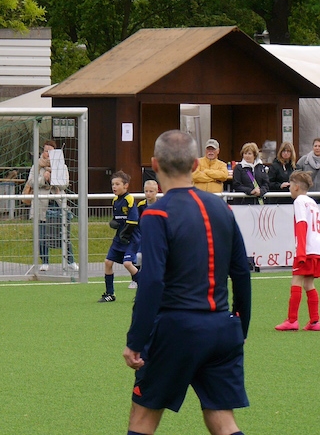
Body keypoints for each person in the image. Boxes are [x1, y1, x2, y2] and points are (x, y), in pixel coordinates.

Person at [123, 130, 251, 435]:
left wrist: (136, 340)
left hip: (176, 330)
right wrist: (241, 327)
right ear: (195, 164)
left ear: (154, 164)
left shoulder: (156, 214)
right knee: (222, 419)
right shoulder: (223, 209)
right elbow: (241, 273)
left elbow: (152, 281)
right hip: (222, 329)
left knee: (143, 418)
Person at [275, 171, 320, 332]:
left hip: (306, 249)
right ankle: (315, 321)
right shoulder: (312, 202)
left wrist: (301, 252)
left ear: (296, 186)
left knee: (296, 281)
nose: (289, 188)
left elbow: (302, 225)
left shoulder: (299, 201)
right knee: (309, 283)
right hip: (317, 248)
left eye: (290, 185)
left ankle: (292, 320)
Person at [26, 140, 78, 272]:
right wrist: (44, 178)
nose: (48, 154)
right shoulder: (36, 166)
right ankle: (45, 262)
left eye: (51, 151)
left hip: (57, 203)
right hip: (42, 203)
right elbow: (31, 182)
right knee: (42, 234)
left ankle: (70, 261)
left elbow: (65, 184)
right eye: (46, 151)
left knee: (64, 233)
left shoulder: (62, 166)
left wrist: (54, 178)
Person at [100, 170, 140, 302]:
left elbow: (133, 220)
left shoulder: (129, 199)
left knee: (127, 263)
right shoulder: (115, 201)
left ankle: (144, 290)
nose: (114, 187)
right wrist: (114, 223)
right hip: (119, 238)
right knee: (108, 262)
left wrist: (125, 234)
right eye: (113, 184)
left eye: (117, 184)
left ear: (126, 185)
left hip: (131, 238)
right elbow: (118, 219)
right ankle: (110, 294)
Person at [128, 179, 159, 289]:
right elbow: (137, 221)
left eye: (151, 191)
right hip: (143, 236)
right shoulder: (141, 205)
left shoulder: (161, 205)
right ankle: (135, 280)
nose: (148, 194)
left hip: (157, 237)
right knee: (138, 257)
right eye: (146, 191)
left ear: (156, 192)